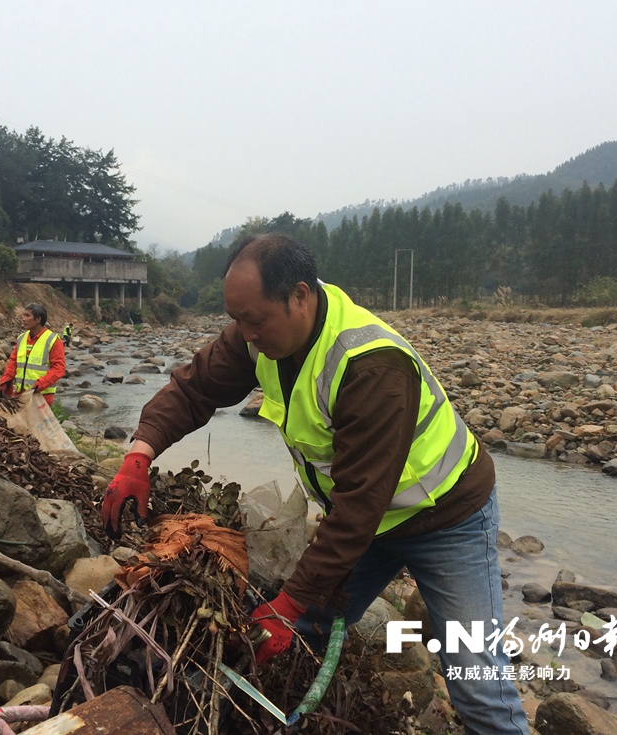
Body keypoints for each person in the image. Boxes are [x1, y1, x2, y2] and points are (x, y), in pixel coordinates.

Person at [101, 234, 530, 734]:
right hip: (369, 521)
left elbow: (357, 507)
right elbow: (194, 388)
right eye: (237, 320)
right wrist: (139, 454)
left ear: (299, 296)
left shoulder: (370, 364)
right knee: (306, 630)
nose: (245, 334)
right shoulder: (256, 333)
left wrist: (288, 603)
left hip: (448, 520)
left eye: (255, 320)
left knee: (476, 683)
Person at [0, 303, 66, 405]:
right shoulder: (21, 338)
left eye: (27, 315)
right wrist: (5, 382)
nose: (23, 319)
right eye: (23, 315)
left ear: (38, 319)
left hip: (41, 396)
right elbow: (13, 362)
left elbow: (59, 368)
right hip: (20, 394)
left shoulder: (53, 340)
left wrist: (41, 384)